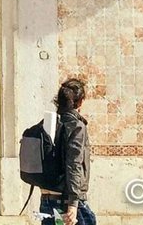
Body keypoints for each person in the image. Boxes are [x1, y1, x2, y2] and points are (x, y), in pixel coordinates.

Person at [39, 77, 94, 225]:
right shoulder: (77, 126)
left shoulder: (48, 123)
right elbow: (74, 164)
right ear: (80, 102)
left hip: (47, 199)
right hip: (66, 201)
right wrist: (73, 204)